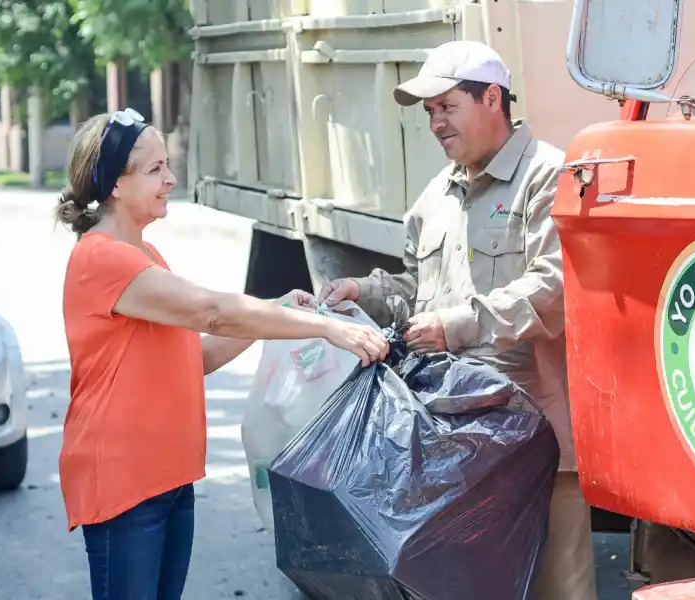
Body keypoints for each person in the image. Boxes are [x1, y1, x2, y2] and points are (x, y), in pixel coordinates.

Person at [54, 108, 388, 600]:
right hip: (123, 479)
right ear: (114, 185)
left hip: (164, 475)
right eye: (154, 170)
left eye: (167, 165)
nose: (171, 179)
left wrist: (276, 314)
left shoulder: (145, 256)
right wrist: (325, 327)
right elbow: (212, 311)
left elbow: (198, 357)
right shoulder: (102, 257)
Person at [311, 41, 598, 600]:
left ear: (492, 98)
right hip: (454, 440)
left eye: (446, 107)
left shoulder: (548, 176)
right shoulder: (433, 198)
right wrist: (365, 292)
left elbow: (556, 288)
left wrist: (459, 325)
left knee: (559, 587)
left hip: (535, 434)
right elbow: (419, 294)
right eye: (429, 113)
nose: (435, 124)